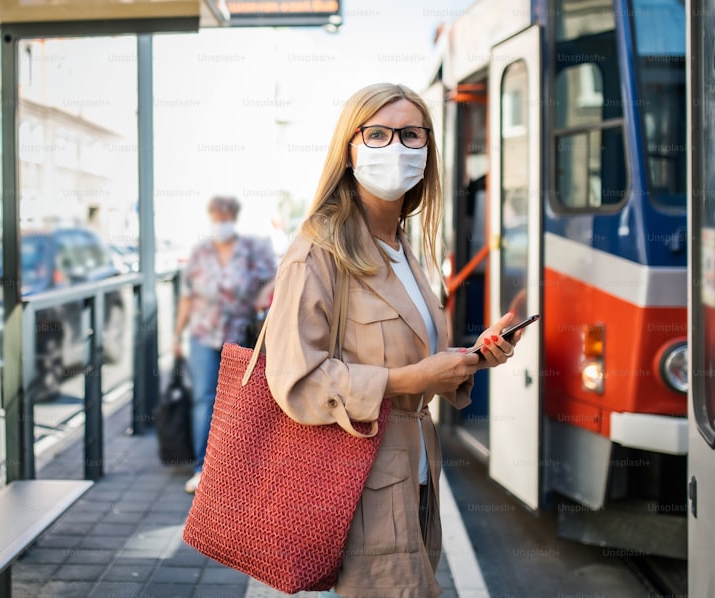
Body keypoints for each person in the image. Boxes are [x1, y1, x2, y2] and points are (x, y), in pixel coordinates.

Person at [263, 83, 521, 597]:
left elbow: (411, 355)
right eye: (377, 134)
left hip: (417, 474)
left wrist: (470, 360)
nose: (396, 148)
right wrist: (412, 378)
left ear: (428, 149)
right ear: (350, 148)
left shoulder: (403, 246)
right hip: (359, 481)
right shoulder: (318, 250)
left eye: (410, 134)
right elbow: (295, 382)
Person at [174, 195, 277, 494]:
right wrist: (177, 335)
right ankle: (201, 468)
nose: (221, 222)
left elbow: (277, 276)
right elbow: (187, 295)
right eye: (216, 217)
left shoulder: (250, 251)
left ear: (234, 217)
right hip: (202, 334)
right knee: (204, 398)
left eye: (226, 216)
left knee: (235, 402)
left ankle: (232, 467)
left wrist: (262, 296)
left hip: (238, 334)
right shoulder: (201, 253)